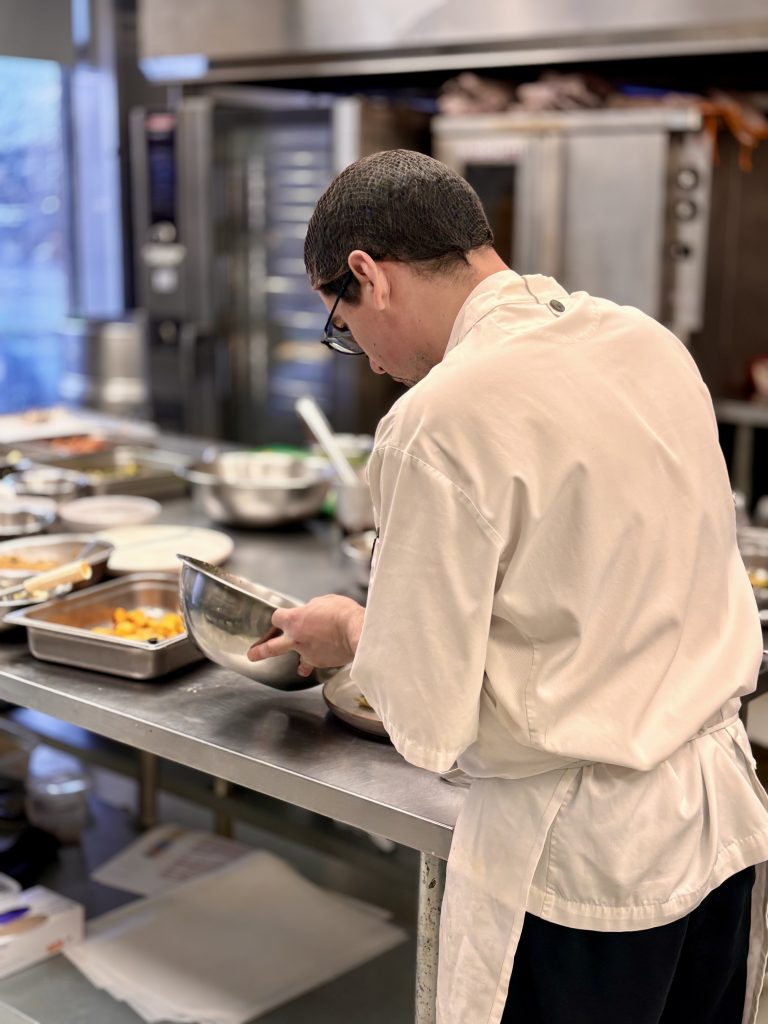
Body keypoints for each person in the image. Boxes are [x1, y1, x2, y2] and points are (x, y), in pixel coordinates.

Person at [247, 149, 768, 1024]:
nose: (363, 358)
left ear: (369, 275)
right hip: (722, 837)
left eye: (342, 323)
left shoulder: (438, 420)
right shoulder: (645, 342)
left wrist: (353, 632)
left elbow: (427, 721)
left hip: (583, 877)